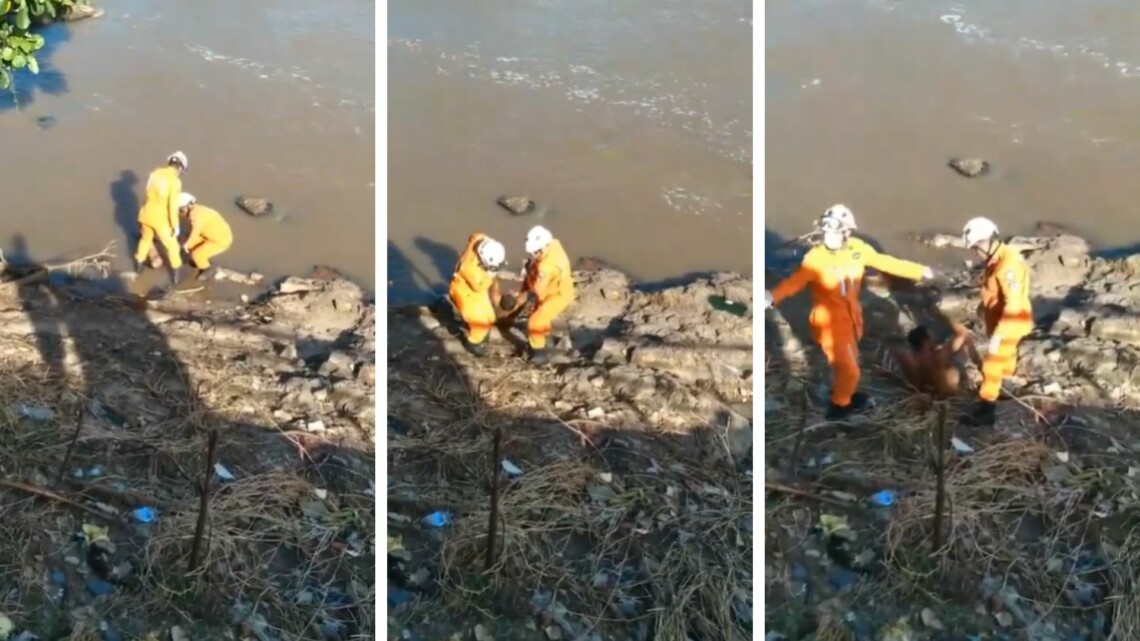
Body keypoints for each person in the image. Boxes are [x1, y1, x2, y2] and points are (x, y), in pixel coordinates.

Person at [764, 204, 936, 420]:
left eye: (836, 232)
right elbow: (794, 283)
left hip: (852, 318)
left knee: (850, 358)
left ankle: (844, 391)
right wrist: (771, 297)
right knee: (850, 371)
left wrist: (920, 271)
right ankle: (839, 407)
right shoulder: (815, 258)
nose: (830, 236)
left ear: (846, 232)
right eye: (827, 232)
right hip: (829, 324)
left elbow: (885, 263)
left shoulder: (858, 249)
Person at [959, 217, 1033, 426]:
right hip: (1000, 318)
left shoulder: (1007, 266)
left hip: (1010, 322)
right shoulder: (998, 259)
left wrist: (999, 335)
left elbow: (1014, 303)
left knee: (991, 365)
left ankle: (987, 409)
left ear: (986, 242)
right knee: (1006, 356)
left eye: (976, 248)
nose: (975, 253)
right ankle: (1006, 384)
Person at [505, 225, 574, 365]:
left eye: (535, 252)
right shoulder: (554, 245)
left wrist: (524, 289)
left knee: (535, 321)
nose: (533, 254)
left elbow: (538, 289)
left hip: (555, 296)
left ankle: (539, 353)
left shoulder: (545, 267)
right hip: (560, 288)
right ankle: (544, 334)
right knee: (542, 317)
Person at [448, 233, 508, 357]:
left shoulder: (479, 239)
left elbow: (473, 236)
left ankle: (480, 333)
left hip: (475, 288)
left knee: (490, 317)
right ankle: (473, 343)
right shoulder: (471, 270)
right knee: (479, 323)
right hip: (464, 292)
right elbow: (480, 287)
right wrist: (491, 274)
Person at [134, 151, 188, 285]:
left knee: (145, 240)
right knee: (173, 247)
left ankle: (138, 268)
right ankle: (176, 277)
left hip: (145, 213)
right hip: (160, 219)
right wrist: (175, 226)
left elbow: (147, 192)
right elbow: (172, 205)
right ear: (180, 168)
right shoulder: (175, 182)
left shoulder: (155, 173)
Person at [890, 322, 974, 398]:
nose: (934, 338)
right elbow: (963, 334)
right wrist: (947, 320)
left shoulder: (908, 360)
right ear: (926, 341)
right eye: (931, 336)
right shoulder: (938, 355)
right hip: (948, 398)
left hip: (926, 399)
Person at [178, 193, 233, 282]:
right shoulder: (196, 210)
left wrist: (186, 244)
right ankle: (201, 260)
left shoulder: (197, 217)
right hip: (208, 236)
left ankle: (209, 268)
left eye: (181, 209)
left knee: (196, 255)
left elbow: (195, 231)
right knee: (189, 245)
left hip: (220, 241)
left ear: (189, 205)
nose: (180, 212)